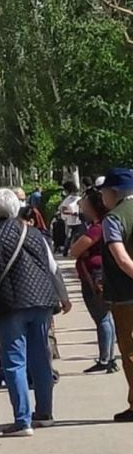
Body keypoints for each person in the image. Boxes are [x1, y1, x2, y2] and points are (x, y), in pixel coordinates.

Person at [0, 188, 71, 436]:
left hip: (10, 305)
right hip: (42, 302)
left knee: (14, 362)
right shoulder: (34, 232)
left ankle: (22, 421)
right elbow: (53, 268)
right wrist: (64, 297)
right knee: (41, 358)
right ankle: (44, 413)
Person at [98, 168, 133, 422]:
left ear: (113, 192)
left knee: (130, 350)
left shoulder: (113, 219)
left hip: (126, 295)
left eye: (103, 193)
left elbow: (121, 259)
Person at [69, 189, 117, 374]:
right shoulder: (103, 224)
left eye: (86, 205)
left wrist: (79, 248)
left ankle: (106, 358)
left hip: (94, 277)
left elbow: (75, 250)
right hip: (98, 274)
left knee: (102, 317)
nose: (84, 208)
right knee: (106, 318)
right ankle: (108, 356)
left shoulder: (97, 228)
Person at [58, 181, 83, 255]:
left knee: (77, 236)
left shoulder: (79, 198)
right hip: (70, 221)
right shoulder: (67, 200)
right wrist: (71, 213)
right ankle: (66, 251)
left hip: (79, 221)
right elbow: (62, 209)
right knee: (69, 237)